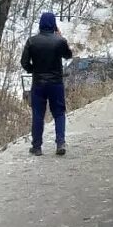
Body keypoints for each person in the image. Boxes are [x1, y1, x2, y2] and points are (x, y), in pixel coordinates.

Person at [21, 12, 73, 156]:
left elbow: (24, 62)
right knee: (59, 113)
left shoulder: (32, 41)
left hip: (38, 84)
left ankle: (36, 147)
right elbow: (68, 55)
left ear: (41, 24)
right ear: (54, 25)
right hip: (56, 83)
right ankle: (60, 143)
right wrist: (61, 37)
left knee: (38, 114)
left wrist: (34, 70)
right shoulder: (59, 41)